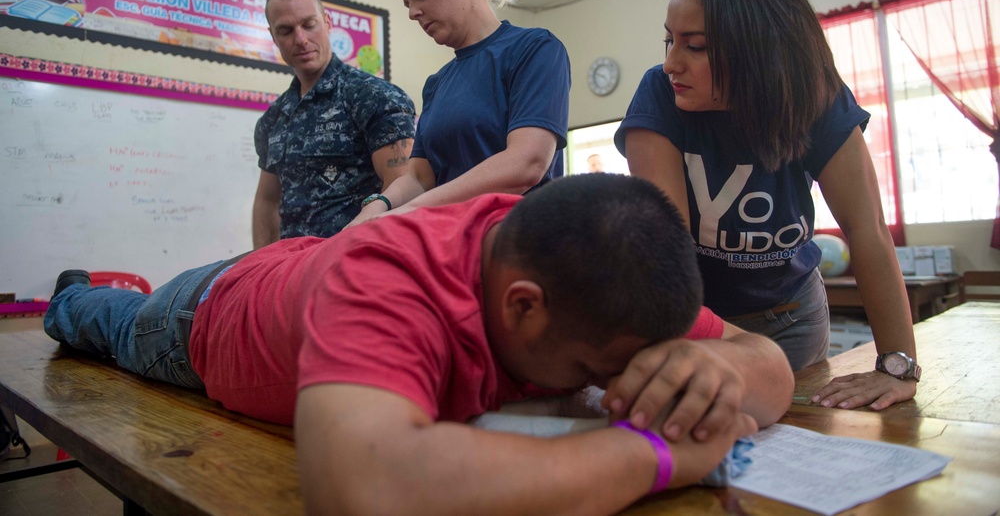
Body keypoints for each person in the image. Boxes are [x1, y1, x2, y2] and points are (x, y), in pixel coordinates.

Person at [45, 174, 793, 514]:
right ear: (521, 307)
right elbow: (362, 490)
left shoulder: (597, 274)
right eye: (603, 373)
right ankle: (70, 291)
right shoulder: (391, 279)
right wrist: (658, 455)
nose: (621, 388)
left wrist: (711, 364)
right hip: (201, 319)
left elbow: (772, 369)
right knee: (103, 323)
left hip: (305, 269)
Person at [614, 0, 917, 411]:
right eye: (668, 41)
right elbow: (667, 248)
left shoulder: (816, 95)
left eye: (694, 46)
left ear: (758, 50)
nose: (673, 62)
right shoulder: (659, 94)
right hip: (699, 319)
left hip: (792, 316)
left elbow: (868, 229)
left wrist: (897, 366)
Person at [347, 0, 570, 228]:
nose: (413, 12)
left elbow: (527, 163)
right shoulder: (437, 84)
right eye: (407, 3)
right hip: (449, 240)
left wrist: (410, 212)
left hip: (519, 240)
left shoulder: (534, 49)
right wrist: (376, 207)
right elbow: (418, 177)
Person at [252, 0, 416, 247]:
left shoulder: (372, 95)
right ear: (273, 37)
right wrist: (258, 266)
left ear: (327, 23)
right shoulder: (272, 120)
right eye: (286, 30)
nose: (301, 39)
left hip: (355, 264)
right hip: (290, 272)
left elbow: (403, 186)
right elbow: (267, 200)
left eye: (309, 24)